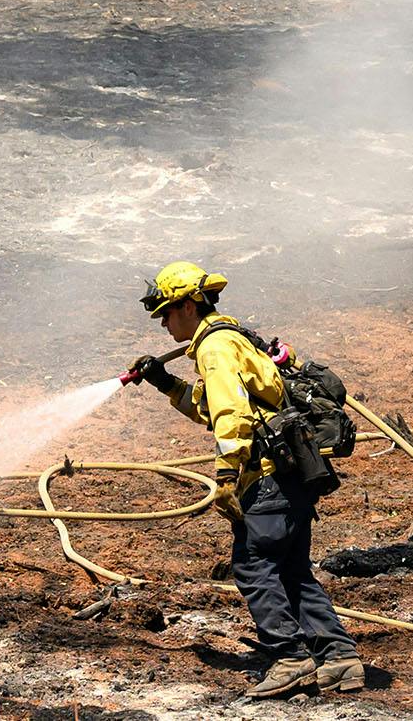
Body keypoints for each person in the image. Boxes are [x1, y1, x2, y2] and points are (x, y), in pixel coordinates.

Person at [126, 260, 361, 698]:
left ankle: (289, 657)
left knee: (253, 565)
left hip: (267, 475)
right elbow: (216, 407)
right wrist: (165, 383)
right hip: (292, 474)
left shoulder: (215, 348)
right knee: (291, 569)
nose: (162, 321)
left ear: (190, 306)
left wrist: (226, 475)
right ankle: (339, 659)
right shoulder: (230, 341)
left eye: (167, 312)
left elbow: (231, 416)